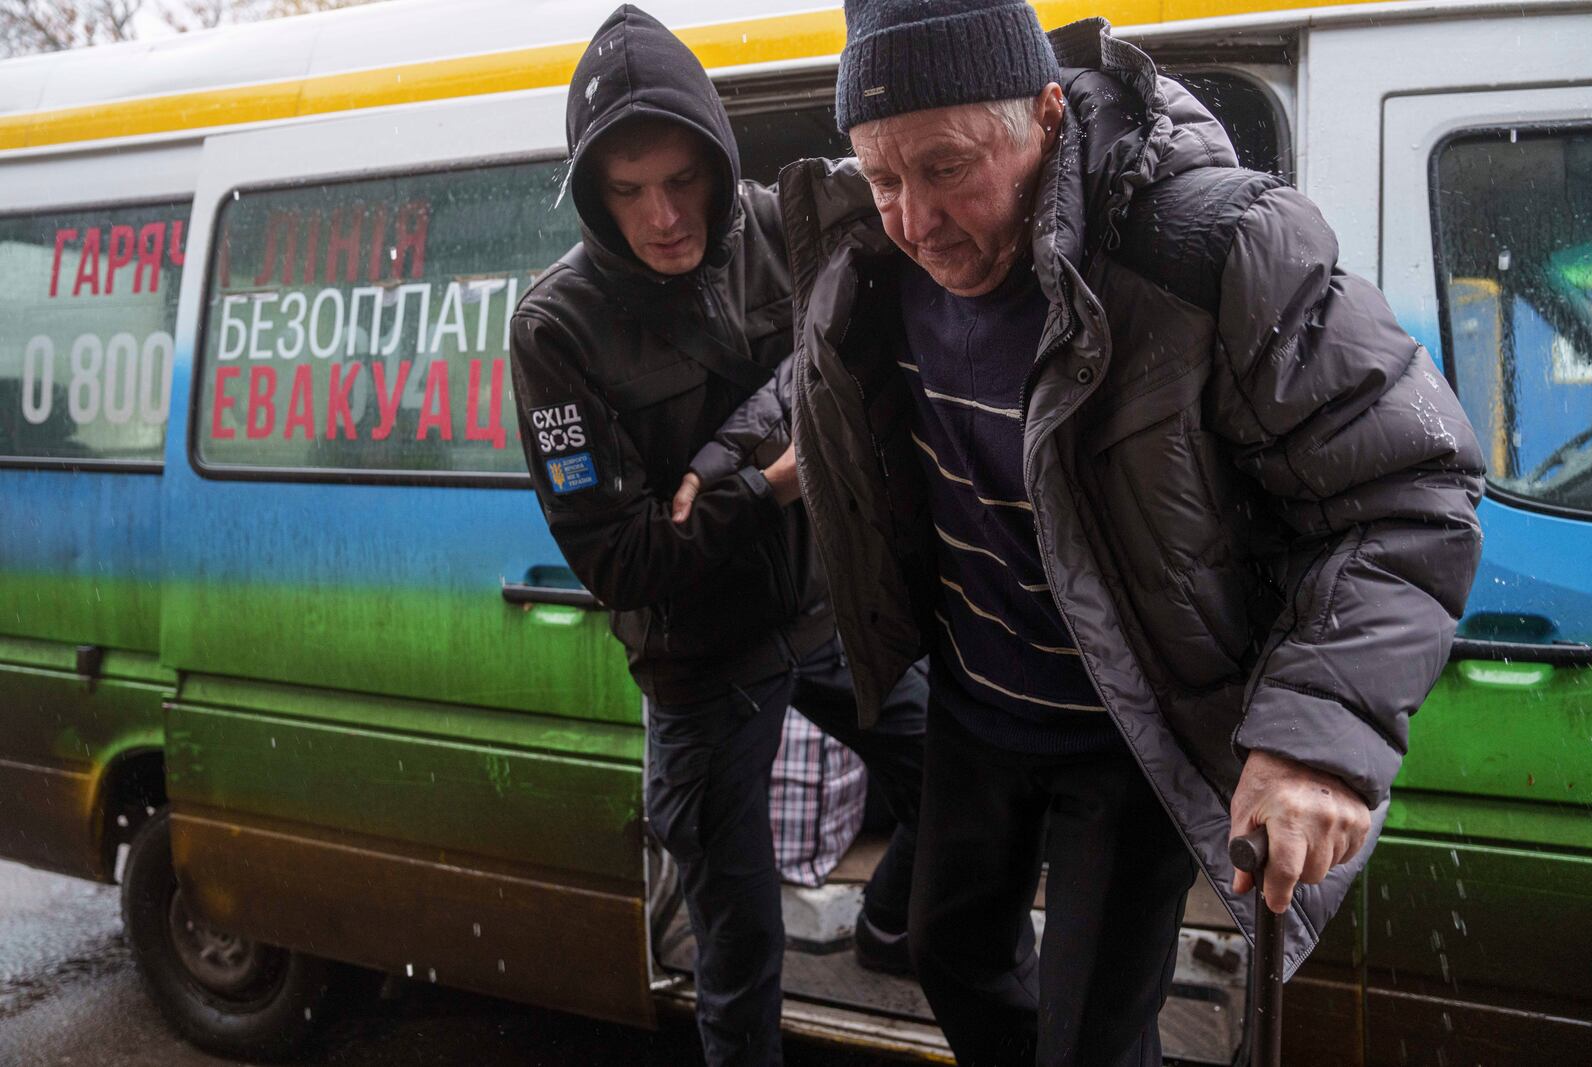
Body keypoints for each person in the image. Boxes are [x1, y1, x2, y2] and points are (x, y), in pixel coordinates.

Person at [764, 3, 1485, 1064]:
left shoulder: (1213, 248)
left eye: (947, 167)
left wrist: (1311, 739)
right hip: (973, 706)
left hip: (1128, 724)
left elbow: (1408, 488)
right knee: (946, 951)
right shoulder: (868, 263)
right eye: (881, 176)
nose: (914, 220)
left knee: (1093, 1036)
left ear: (1047, 114)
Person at [504, 7, 927, 1066]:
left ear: (718, 159)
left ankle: (889, 922)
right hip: (699, 662)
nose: (662, 216)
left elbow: (871, 336)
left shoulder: (787, 225)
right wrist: (779, 480)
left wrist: (717, 479)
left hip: (828, 608)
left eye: (681, 179)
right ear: (594, 194)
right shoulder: (554, 327)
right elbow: (625, 560)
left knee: (965, 769)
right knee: (736, 950)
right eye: (628, 190)